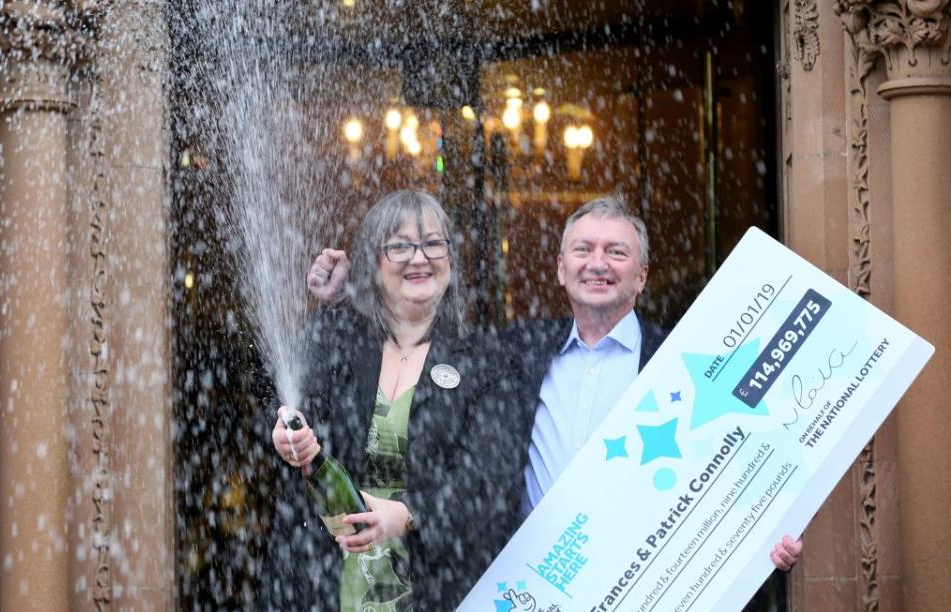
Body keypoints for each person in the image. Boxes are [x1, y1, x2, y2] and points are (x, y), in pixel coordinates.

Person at [310, 196, 803, 572]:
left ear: (643, 275)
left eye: (617, 252)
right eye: (583, 250)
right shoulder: (514, 352)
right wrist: (344, 303)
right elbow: (410, 327)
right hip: (532, 599)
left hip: (647, 587)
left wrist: (767, 535)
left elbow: (743, 458)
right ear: (560, 270)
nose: (598, 263)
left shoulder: (685, 362)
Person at [254, 190, 533, 612]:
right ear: (372, 261)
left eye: (433, 243)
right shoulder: (336, 340)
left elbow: (490, 487)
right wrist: (283, 438)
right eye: (399, 246)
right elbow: (283, 426)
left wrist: (405, 515)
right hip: (323, 603)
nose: (419, 258)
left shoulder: (489, 362)